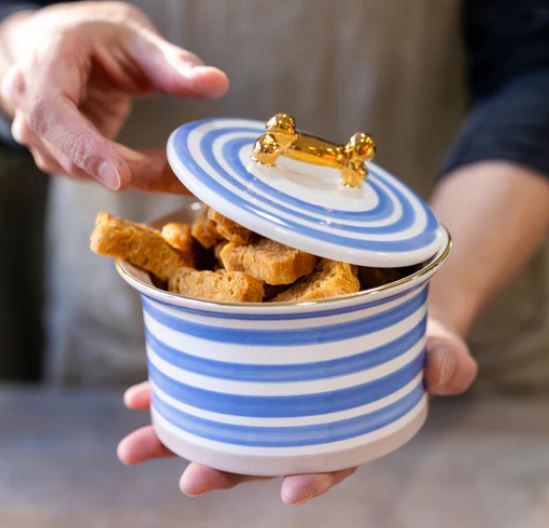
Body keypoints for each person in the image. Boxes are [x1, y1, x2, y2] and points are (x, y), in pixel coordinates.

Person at [0, 0, 548, 505]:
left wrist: (442, 304)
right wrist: (24, 41)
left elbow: (535, 67)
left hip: (465, 270)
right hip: (117, 351)